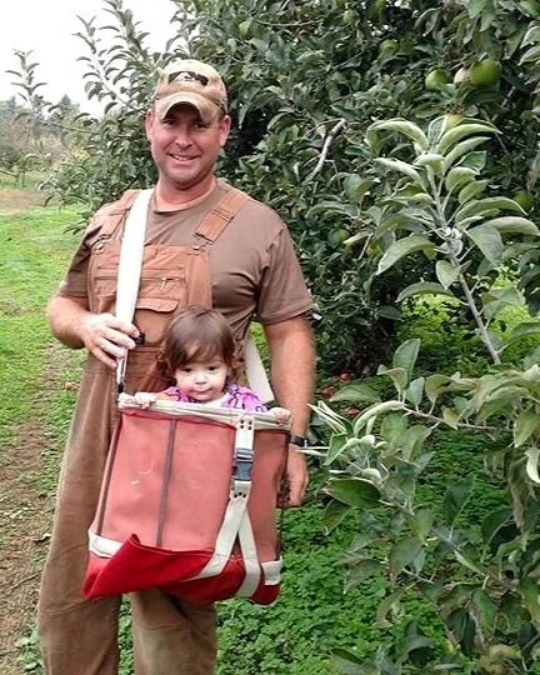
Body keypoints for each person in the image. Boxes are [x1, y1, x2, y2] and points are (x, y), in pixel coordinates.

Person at [38, 57, 315, 675]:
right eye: (172, 123)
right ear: (149, 126)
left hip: (196, 439)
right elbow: (64, 303)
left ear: (223, 130)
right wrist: (84, 325)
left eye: (200, 124)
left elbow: (290, 330)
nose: (183, 139)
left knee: (176, 600)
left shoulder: (257, 226)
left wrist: (293, 440)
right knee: (73, 586)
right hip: (101, 428)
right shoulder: (112, 220)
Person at [132, 305, 291, 425]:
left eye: (211, 369)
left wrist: (274, 417)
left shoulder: (244, 401)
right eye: (188, 370)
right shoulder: (173, 399)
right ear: (173, 370)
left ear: (229, 365)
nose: (200, 379)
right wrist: (145, 400)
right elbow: (152, 405)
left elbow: (263, 428)